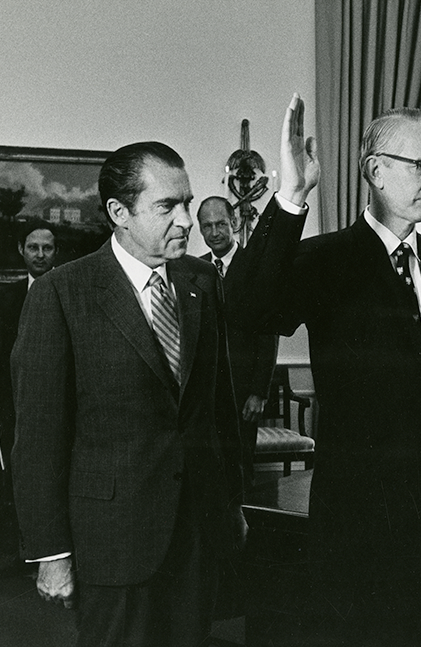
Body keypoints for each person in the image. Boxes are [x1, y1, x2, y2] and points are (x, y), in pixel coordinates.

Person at [226, 95, 421, 646]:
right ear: (376, 170)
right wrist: (291, 200)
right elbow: (246, 308)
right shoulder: (326, 259)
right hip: (357, 517)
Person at [11, 142, 247, 647]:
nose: (187, 220)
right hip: (112, 545)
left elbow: (216, 409)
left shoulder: (201, 282)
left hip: (197, 536)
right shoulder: (61, 294)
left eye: (187, 202)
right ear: (119, 212)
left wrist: (233, 505)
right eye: (168, 206)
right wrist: (51, 554)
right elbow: (37, 438)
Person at [197, 196, 279, 485]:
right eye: (207, 226)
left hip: (243, 390)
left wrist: (259, 391)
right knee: (209, 470)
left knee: (241, 468)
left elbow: (268, 335)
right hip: (206, 392)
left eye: (221, 224)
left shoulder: (255, 266)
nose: (215, 232)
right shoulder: (196, 270)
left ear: (234, 222)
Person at [0, 219, 58, 573]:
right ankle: (22, 552)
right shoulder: (4, 299)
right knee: (17, 481)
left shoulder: (69, 292)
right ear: (21, 250)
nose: (40, 254)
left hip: (56, 410)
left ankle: (53, 555)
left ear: (56, 252)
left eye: (47, 248)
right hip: (12, 410)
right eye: (33, 247)